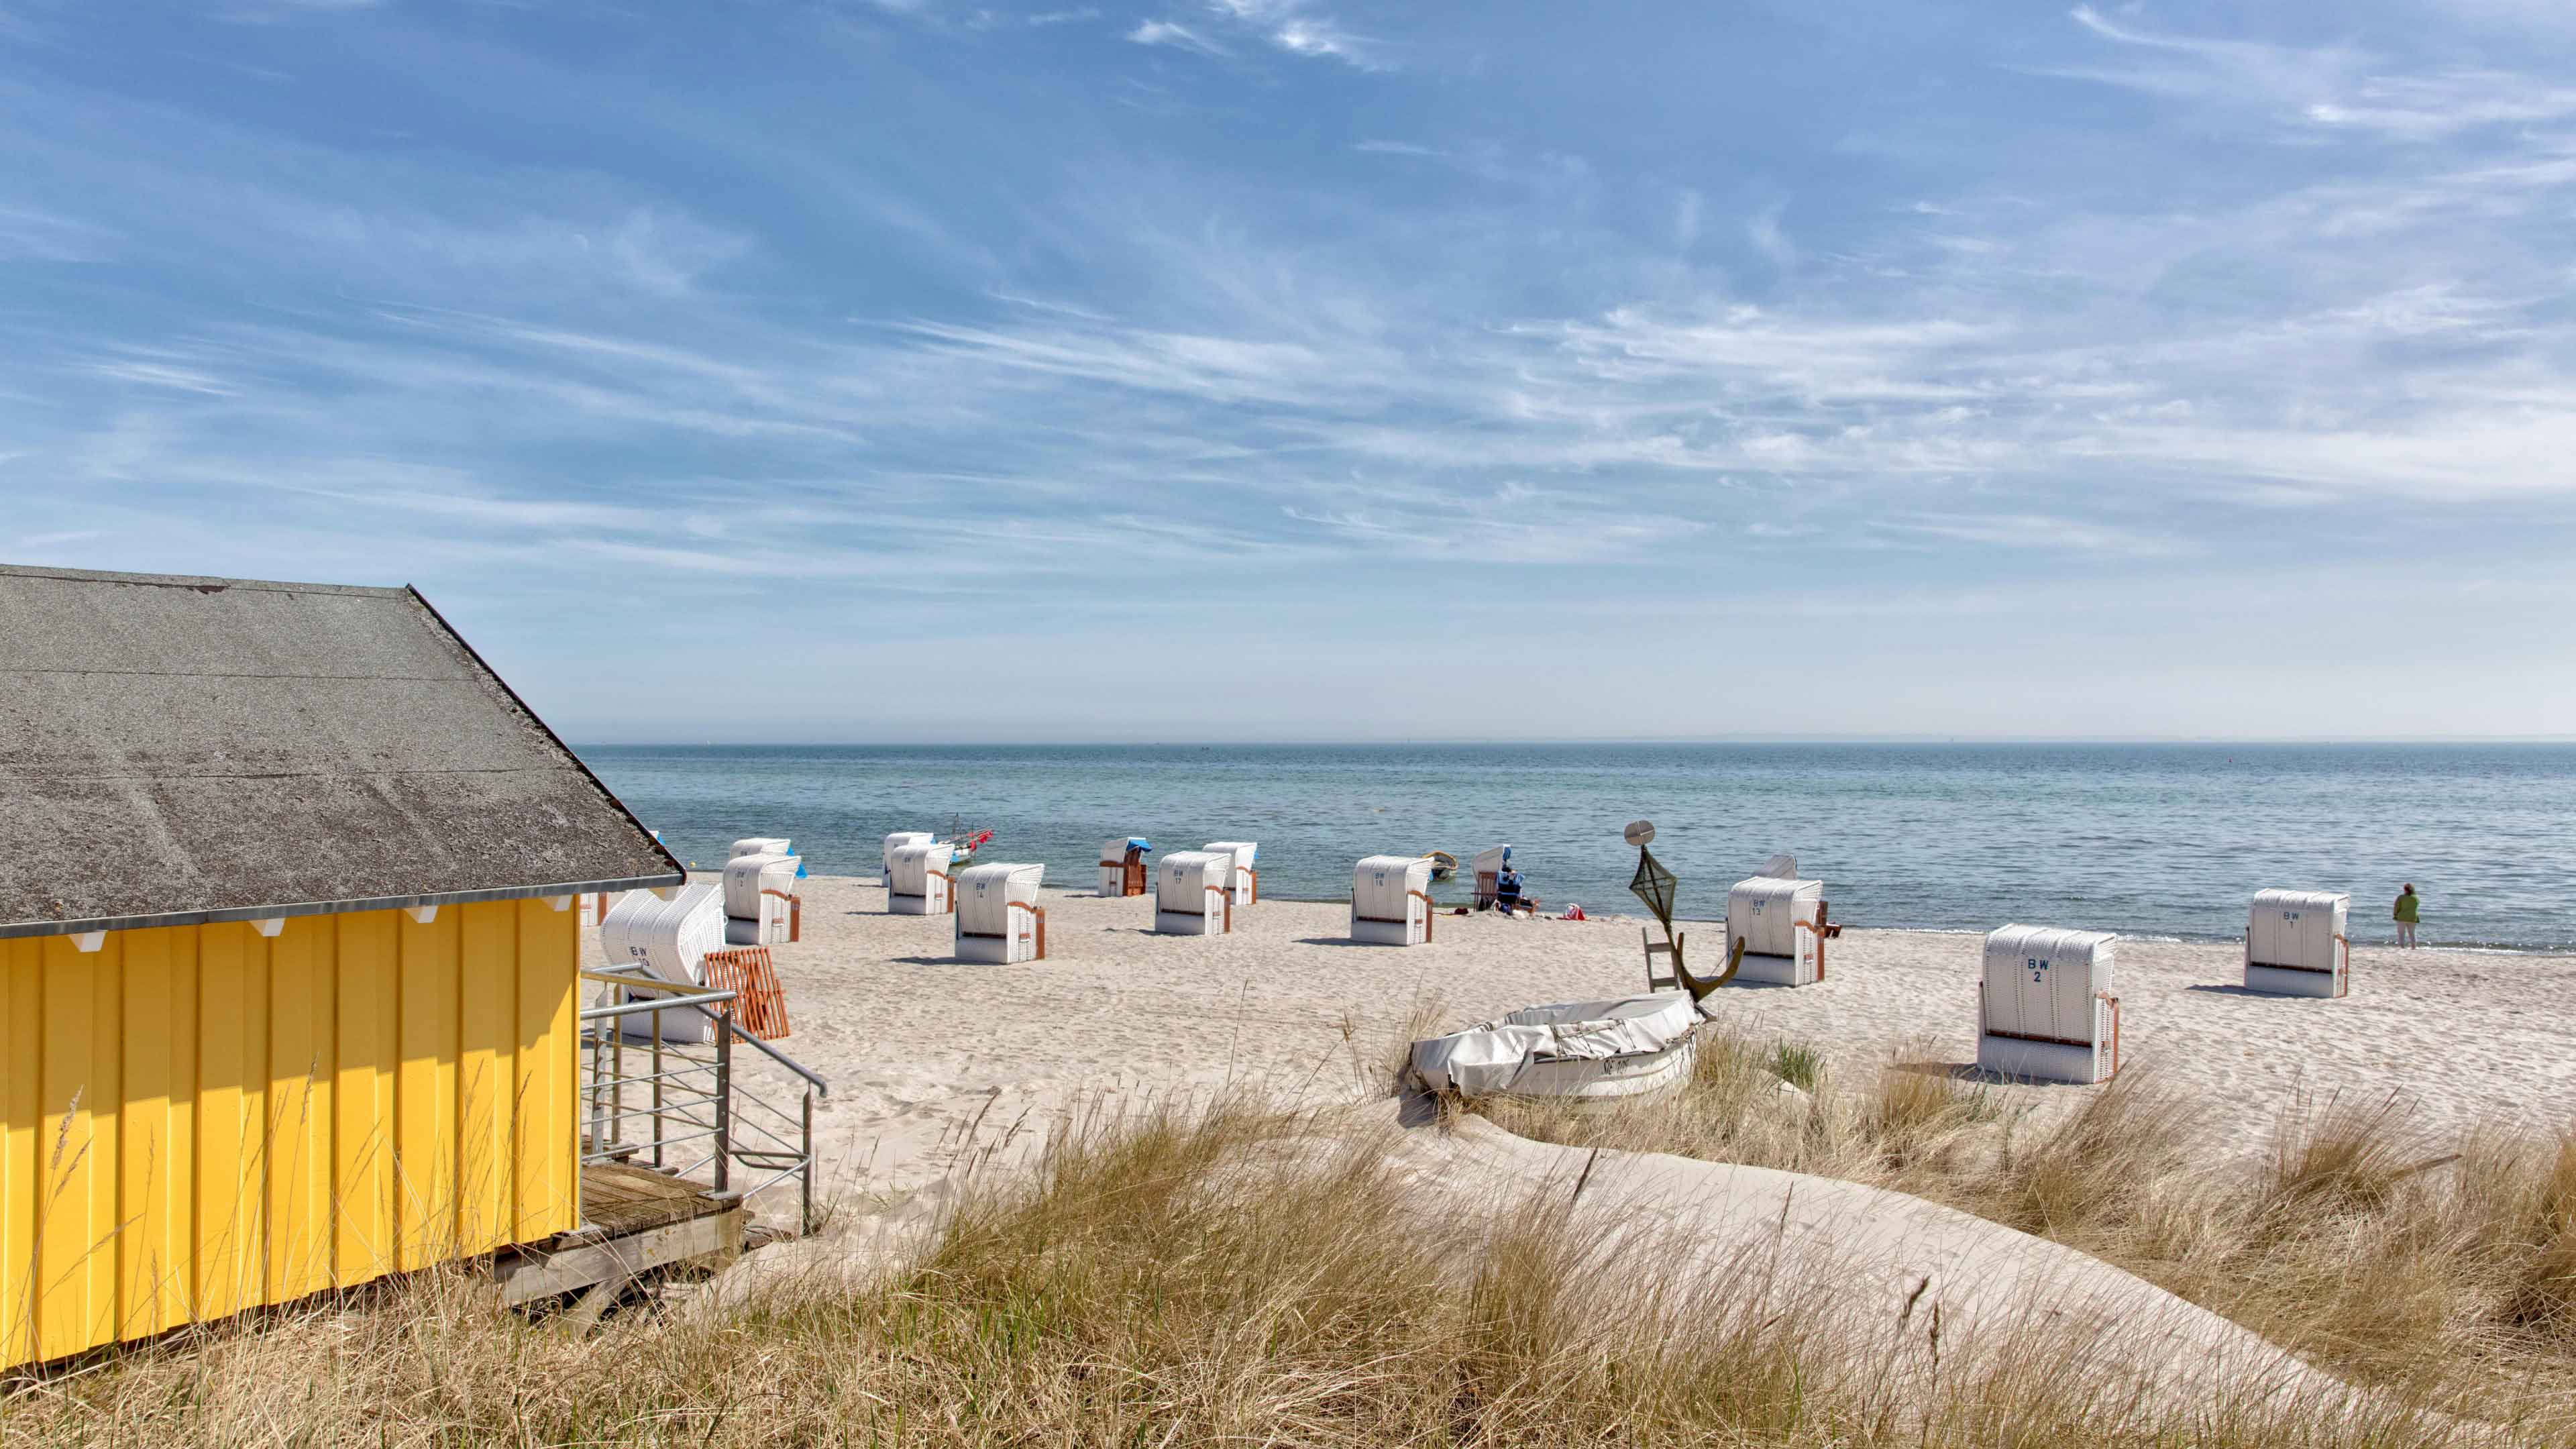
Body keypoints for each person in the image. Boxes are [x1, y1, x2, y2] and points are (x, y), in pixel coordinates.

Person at [2394, 883, 2421, 949]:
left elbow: (2396, 907)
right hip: (2413, 917)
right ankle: (2414, 947)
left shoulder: (2401, 897)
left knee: (2401, 934)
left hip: (2402, 918)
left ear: (2405, 890)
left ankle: (2402, 947)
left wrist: (2395, 914)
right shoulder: (2416, 898)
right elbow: (2416, 907)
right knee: (2412, 933)